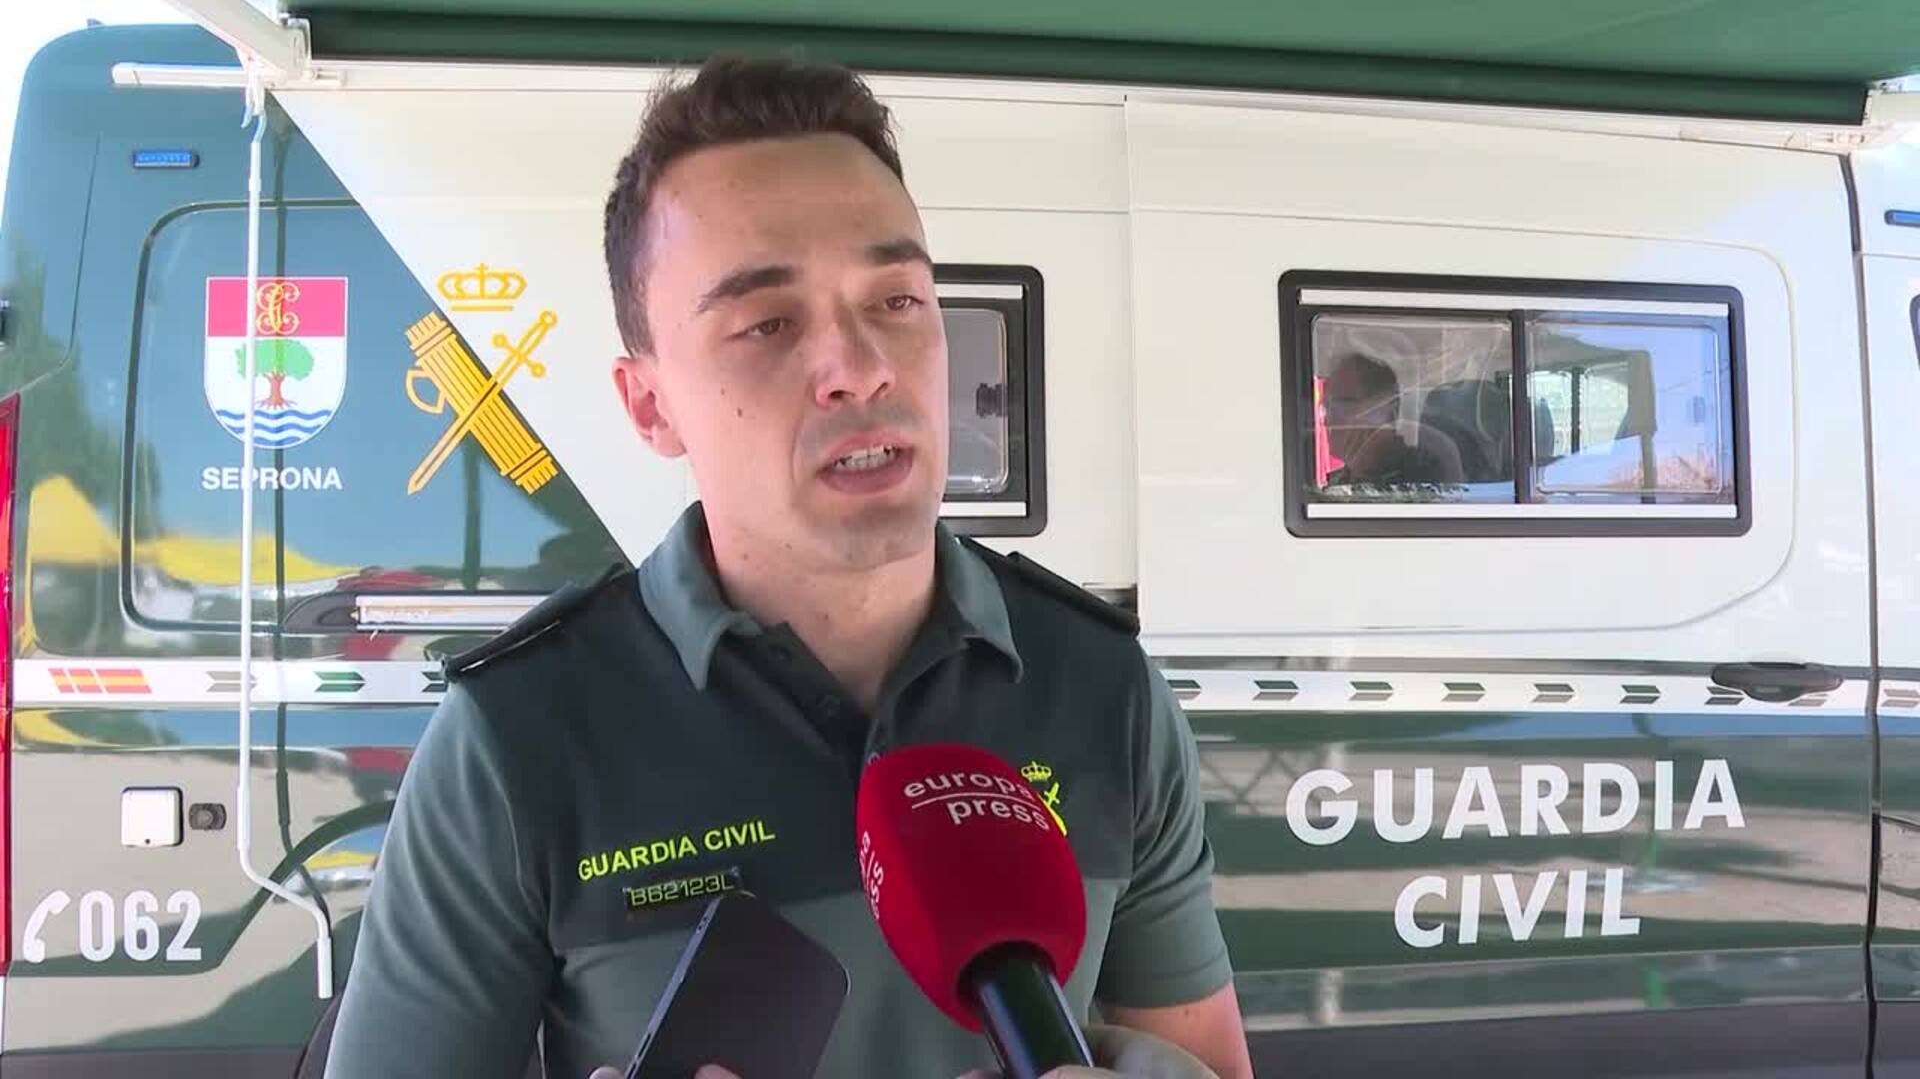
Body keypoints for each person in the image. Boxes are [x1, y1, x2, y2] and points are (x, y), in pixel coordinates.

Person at [324, 53, 1253, 1079]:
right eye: (767, 322)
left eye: (896, 300)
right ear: (650, 406)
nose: (860, 368)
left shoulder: (1104, 690)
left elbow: (1202, 1060)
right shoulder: (516, 741)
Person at [1322, 352, 1464, 487]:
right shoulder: (1337, 483)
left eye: (1344, 403)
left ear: (1389, 407)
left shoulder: (1420, 471)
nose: (1327, 420)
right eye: (1326, 406)